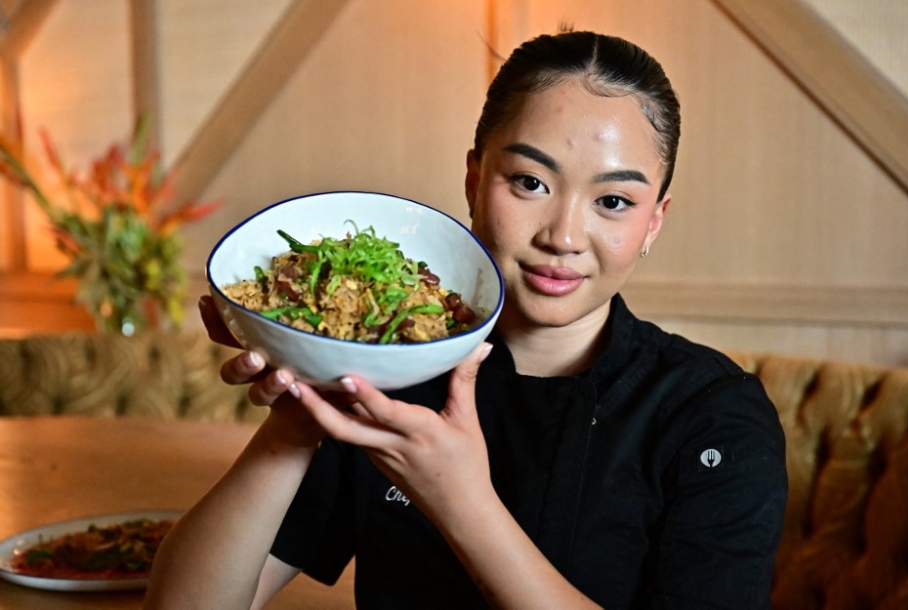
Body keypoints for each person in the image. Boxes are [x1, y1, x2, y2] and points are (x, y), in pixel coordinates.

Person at [144, 30, 787, 610]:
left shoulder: (714, 415)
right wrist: (296, 413)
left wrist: (461, 502)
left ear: (654, 221)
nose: (564, 236)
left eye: (613, 201)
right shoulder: (387, 367)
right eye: (530, 183)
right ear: (475, 179)